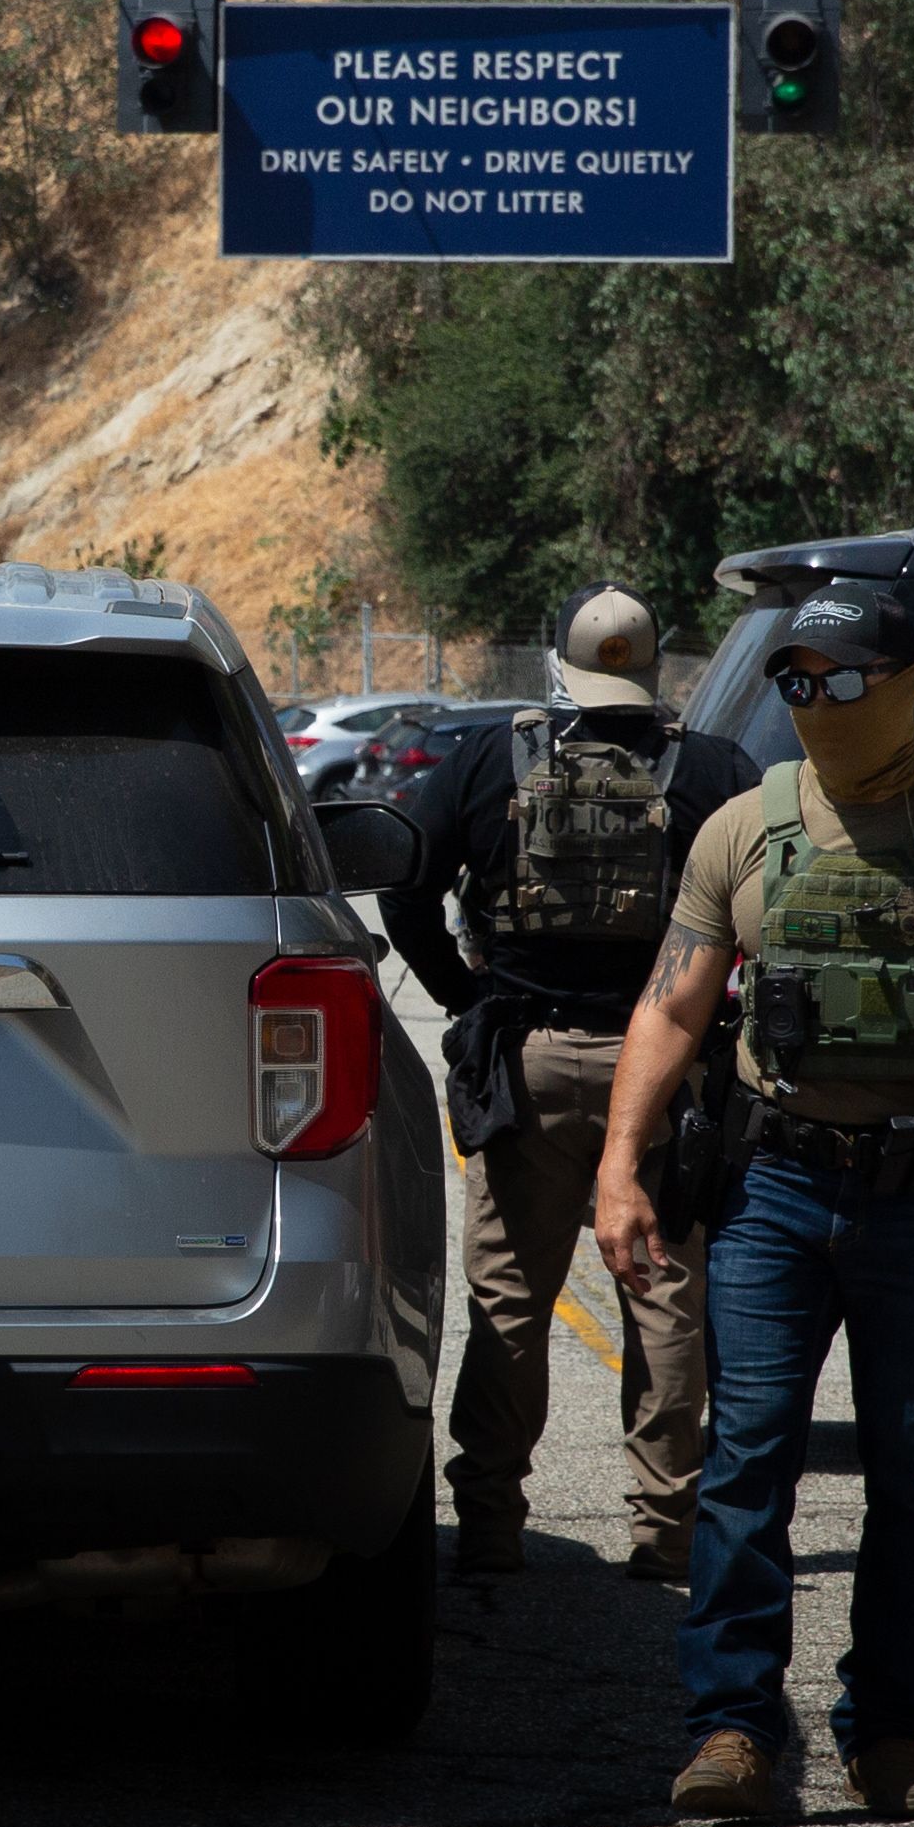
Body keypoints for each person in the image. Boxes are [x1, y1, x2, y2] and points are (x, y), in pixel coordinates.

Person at [595, 582, 914, 1827]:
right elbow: (674, 1006)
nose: (818, 702)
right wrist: (619, 1163)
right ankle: (734, 1732)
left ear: (905, 680)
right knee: (746, 1463)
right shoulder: (743, 829)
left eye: (845, 678)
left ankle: (889, 1735)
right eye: (797, 682)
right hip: (775, 1191)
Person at [373, 584, 737, 1582]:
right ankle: (665, 1534)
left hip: (524, 1063)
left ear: (558, 669)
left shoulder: (491, 758)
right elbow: (757, 900)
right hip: (660, 1069)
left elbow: (403, 882)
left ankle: (490, 1528)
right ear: (653, 670)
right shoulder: (707, 770)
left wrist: (463, 989)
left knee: (509, 1302)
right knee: (663, 1299)